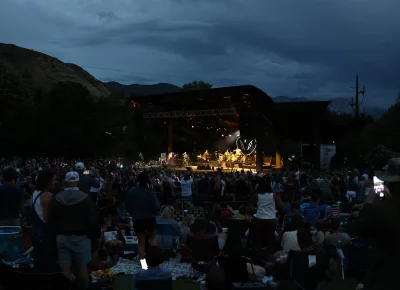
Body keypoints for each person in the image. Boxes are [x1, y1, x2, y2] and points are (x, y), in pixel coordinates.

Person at [50, 171, 97, 289]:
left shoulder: (57, 198)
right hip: (81, 237)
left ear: (65, 182)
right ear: (77, 181)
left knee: (64, 270)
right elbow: (91, 219)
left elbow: (52, 217)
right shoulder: (85, 198)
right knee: (83, 270)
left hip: (62, 236)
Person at [125, 171, 160, 259]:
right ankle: (153, 260)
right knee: (153, 238)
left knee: (141, 243)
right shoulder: (150, 192)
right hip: (149, 218)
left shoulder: (132, 191)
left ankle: (143, 265)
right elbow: (156, 206)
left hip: (137, 219)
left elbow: (127, 205)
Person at [31, 168, 58, 272]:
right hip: (45, 234)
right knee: (48, 263)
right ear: (48, 181)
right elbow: (47, 217)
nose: (55, 182)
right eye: (54, 180)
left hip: (35, 232)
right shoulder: (47, 195)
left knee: (39, 262)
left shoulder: (35, 192)